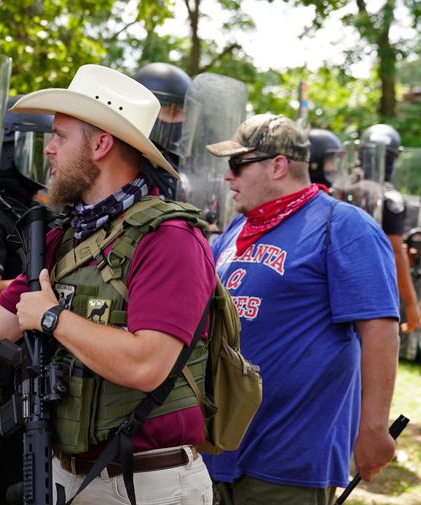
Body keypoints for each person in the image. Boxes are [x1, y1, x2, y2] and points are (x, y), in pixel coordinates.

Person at [0, 64, 215, 504]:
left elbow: (148, 365)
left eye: (61, 136)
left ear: (102, 144)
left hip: (148, 484)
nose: (48, 150)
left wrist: (52, 318)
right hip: (67, 477)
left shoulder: (170, 239)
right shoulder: (64, 236)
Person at [202, 113, 400, 505]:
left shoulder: (342, 225)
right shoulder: (237, 229)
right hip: (216, 451)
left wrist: (374, 428)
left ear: (277, 165)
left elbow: (379, 328)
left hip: (288, 460)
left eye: (237, 165)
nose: (228, 177)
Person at [0, 96, 52, 505]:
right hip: (0, 364)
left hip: (32, 363)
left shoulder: (36, 207)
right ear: (9, 149)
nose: (47, 158)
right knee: (9, 480)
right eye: (35, 147)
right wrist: (46, 298)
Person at [360, 123, 421, 334]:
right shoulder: (390, 198)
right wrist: (412, 306)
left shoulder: (343, 189)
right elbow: (396, 252)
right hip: (371, 294)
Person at [132, 62, 191, 199]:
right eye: (173, 111)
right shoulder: (125, 166)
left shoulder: (176, 166)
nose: (181, 120)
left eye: (184, 112)